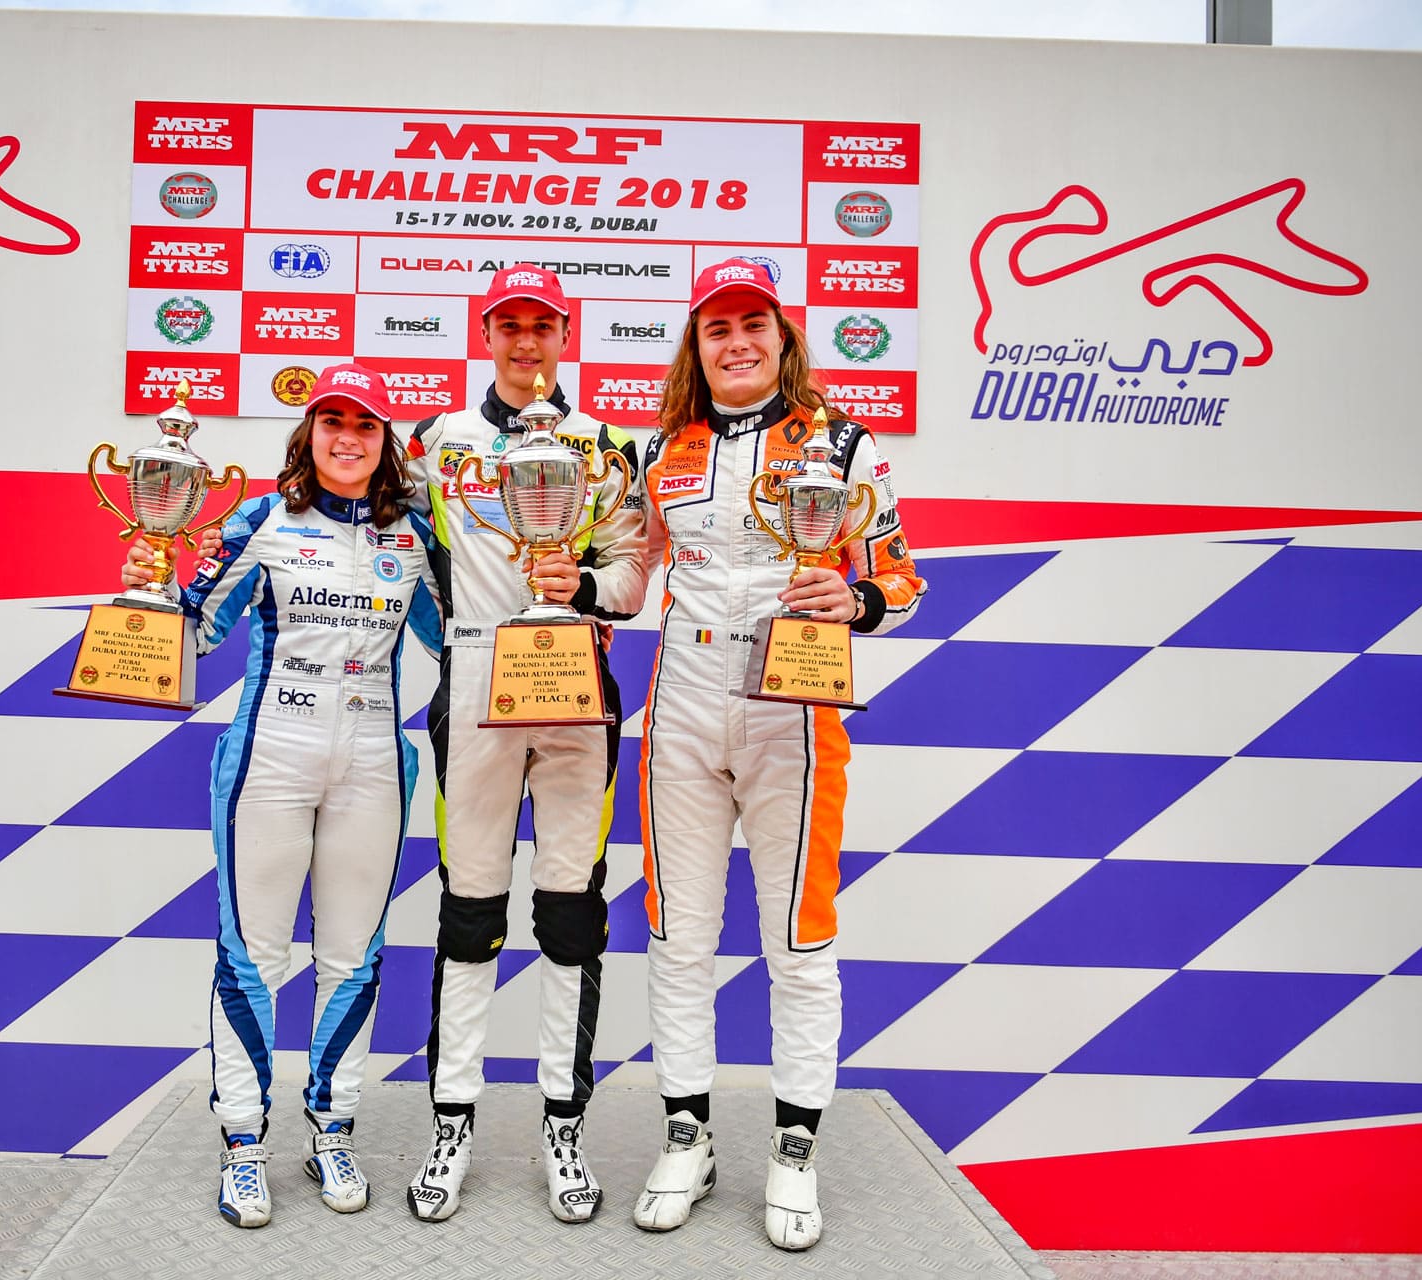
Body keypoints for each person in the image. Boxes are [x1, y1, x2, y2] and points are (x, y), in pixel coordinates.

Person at [629, 259, 926, 1250]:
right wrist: (562, 580)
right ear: (697, 345)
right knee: (678, 934)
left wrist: (858, 599)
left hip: (792, 708)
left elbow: (899, 577)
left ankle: (795, 1150)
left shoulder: (842, 443)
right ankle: (688, 1137)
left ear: (783, 336)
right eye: (717, 328)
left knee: (797, 939)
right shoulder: (661, 448)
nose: (737, 342)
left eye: (753, 323)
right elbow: (626, 572)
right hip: (682, 707)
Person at [128, 363, 444, 1228]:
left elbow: (459, 637)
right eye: (332, 421)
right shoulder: (261, 519)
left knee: (354, 956)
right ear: (309, 434)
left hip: (373, 760)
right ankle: (242, 1143)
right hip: (271, 754)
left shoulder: (415, 534)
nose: (348, 438)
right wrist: (151, 583)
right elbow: (197, 629)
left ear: (385, 442)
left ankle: (332, 1130)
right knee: (252, 957)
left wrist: (558, 612)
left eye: (366, 425)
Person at [398, 263, 649, 1223]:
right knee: (468, 913)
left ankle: (563, 1125)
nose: (526, 341)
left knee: (571, 914)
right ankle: (451, 1121)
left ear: (564, 334)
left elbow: (632, 577)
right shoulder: (436, 442)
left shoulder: (607, 447)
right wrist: (459, 640)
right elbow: (403, 557)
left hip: (575, 687)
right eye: (510, 325)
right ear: (487, 333)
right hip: (475, 688)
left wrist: (578, 588)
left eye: (542, 326)